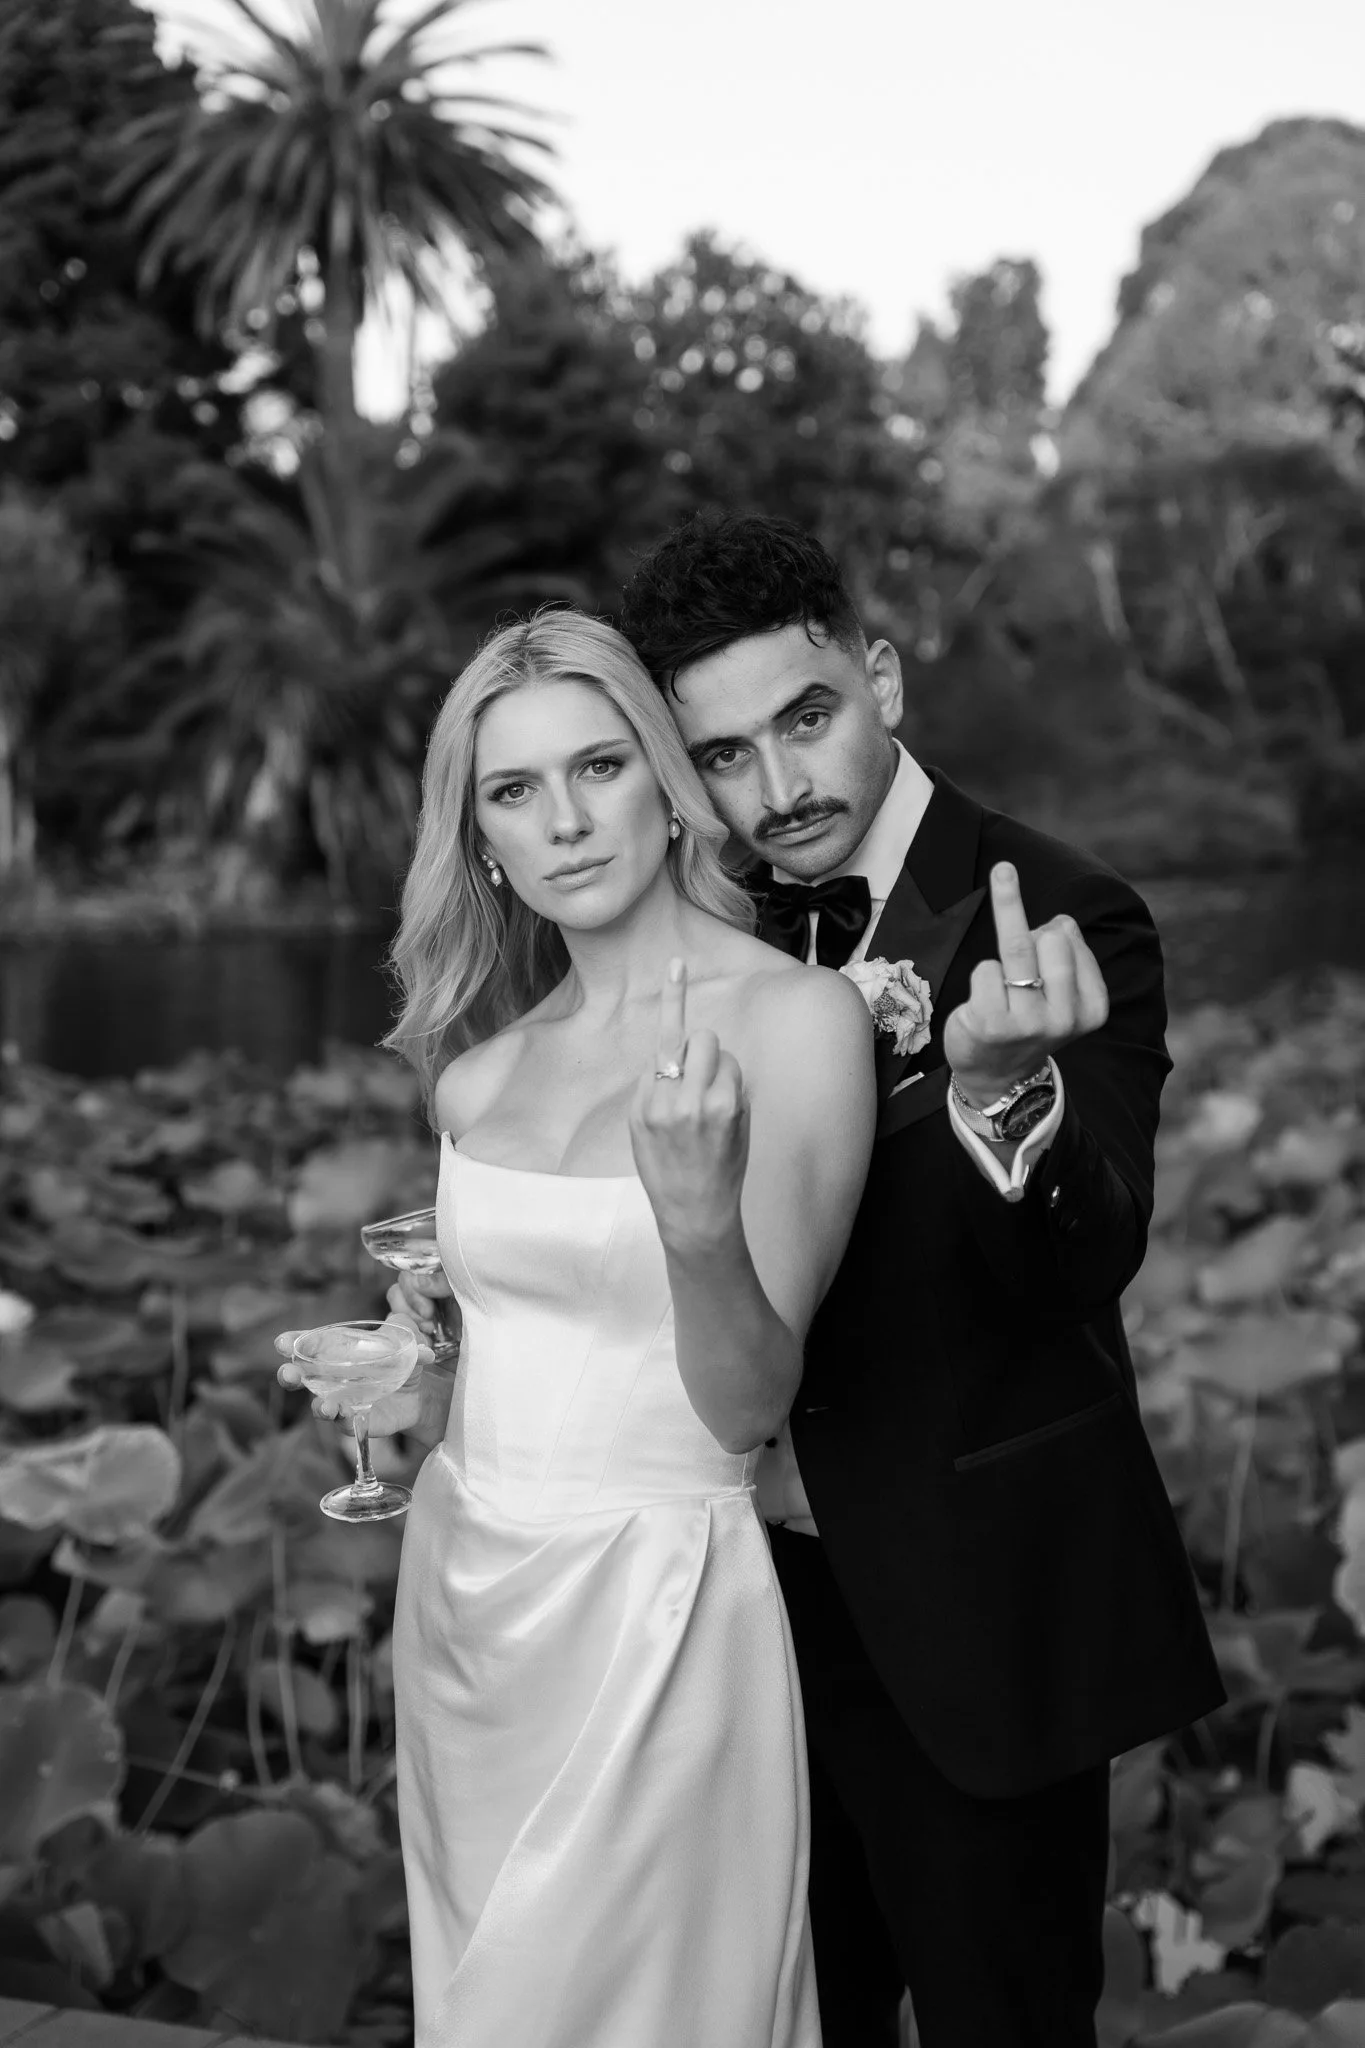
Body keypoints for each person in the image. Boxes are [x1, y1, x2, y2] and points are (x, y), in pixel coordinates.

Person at [609, 513, 1226, 2048]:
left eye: (805, 719)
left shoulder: (1060, 912)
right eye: (728, 755)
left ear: (877, 674)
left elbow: (1088, 1253)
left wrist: (1006, 1096)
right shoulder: (701, 929)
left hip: (968, 1613)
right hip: (723, 1612)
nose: (780, 788)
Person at [278, 610, 877, 2048]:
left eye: (599, 766)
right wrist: (407, 1389)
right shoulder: (476, 1085)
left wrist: (694, 1219)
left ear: (666, 782)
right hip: (468, 1599)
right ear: (479, 834)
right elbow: (508, 1358)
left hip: (658, 1606)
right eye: (513, 790)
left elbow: (746, 1410)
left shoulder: (798, 1024)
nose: (564, 821)